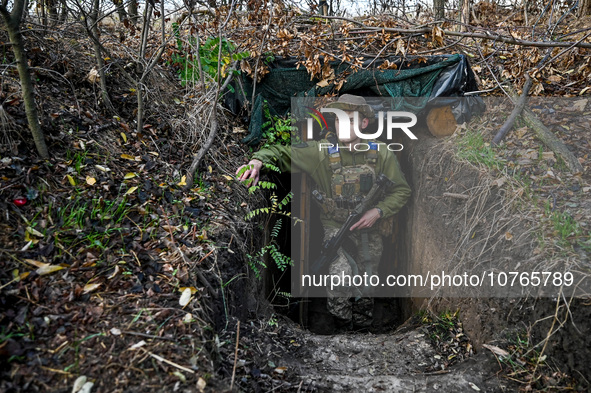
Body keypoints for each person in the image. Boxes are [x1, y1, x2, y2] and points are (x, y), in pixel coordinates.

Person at [237, 94, 411, 331]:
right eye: (339, 121)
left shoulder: (381, 153)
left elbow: (402, 191)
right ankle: (341, 326)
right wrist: (257, 161)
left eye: (350, 119)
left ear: (364, 123)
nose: (343, 126)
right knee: (341, 276)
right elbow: (283, 153)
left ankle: (363, 328)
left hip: (369, 229)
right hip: (335, 229)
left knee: (368, 282)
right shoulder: (321, 152)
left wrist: (378, 211)